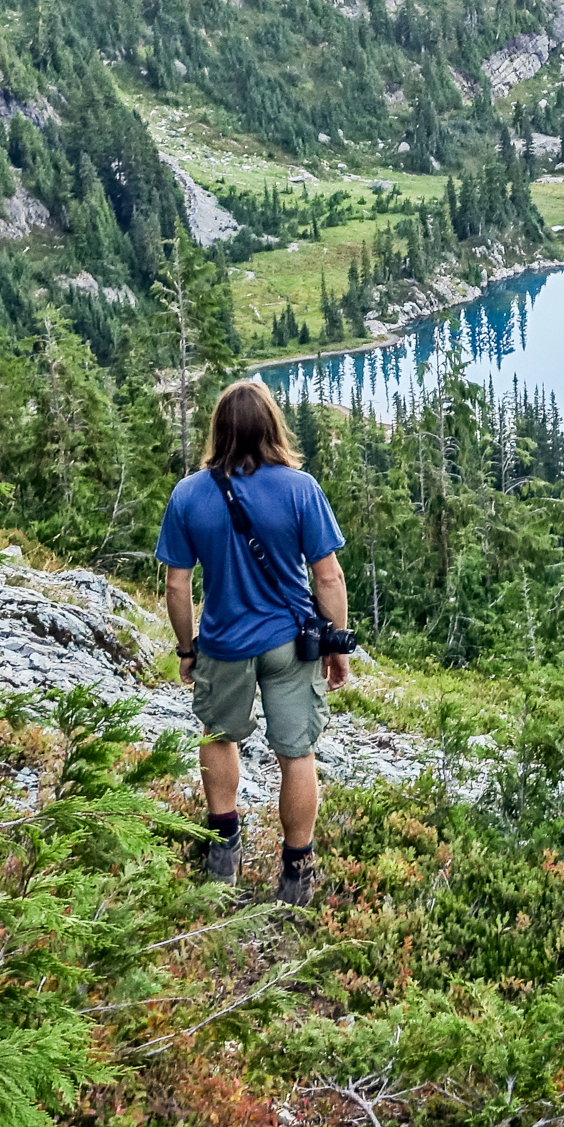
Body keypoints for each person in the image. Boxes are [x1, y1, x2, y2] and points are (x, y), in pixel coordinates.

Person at [156, 380, 350, 903]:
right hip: (289, 643)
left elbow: (177, 585)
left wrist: (187, 649)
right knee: (297, 753)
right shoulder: (300, 488)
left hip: (223, 643)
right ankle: (296, 873)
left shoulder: (189, 494)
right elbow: (327, 577)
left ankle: (223, 854)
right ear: (271, 426)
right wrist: (334, 644)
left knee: (219, 737)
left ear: (218, 430)